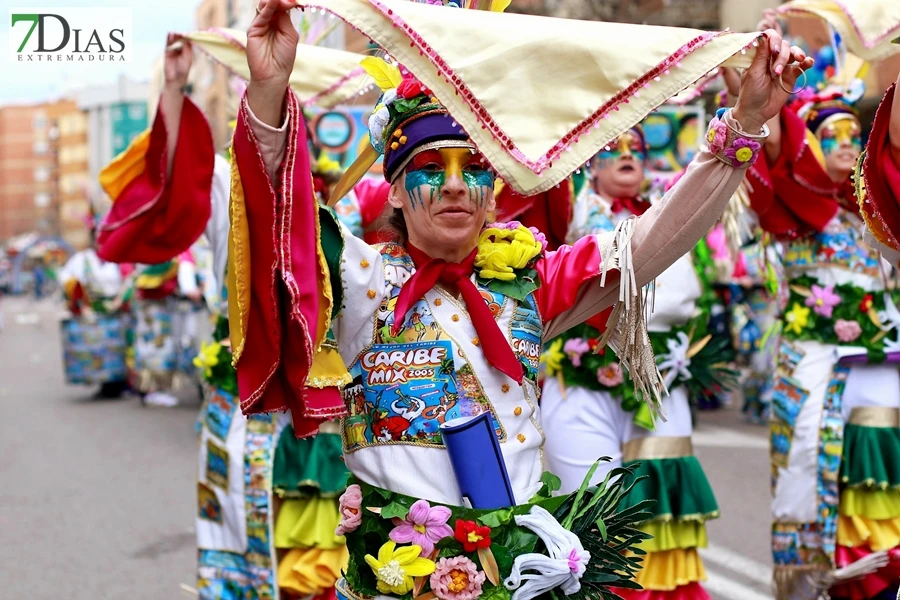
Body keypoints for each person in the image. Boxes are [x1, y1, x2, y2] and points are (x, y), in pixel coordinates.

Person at [230, 2, 808, 600]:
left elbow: (650, 242)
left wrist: (742, 126)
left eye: (474, 167)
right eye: (431, 167)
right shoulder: (358, 278)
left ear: (494, 190)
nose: (455, 183)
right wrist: (270, 95)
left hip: (520, 581)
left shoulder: (528, 283)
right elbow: (279, 218)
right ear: (396, 190)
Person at [734, 11, 900, 599]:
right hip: (813, 371)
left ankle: (875, 575)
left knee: (875, 486)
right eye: (831, 136)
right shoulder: (796, 211)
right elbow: (772, 140)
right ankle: (812, 584)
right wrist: (753, 71)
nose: (847, 146)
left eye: (854, 137)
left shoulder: (876, 213)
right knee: (808, 474)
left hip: (881, 370)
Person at [538, 123, 733, 600]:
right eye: (612, 148)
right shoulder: (571, 211)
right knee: (587, 505)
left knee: (659, 500)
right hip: (580, 380)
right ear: (591, 163)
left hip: (661, 384)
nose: (627, 155)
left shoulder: (668, 213)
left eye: (636, 148)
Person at [58, 218, 133, 398]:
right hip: (93, 312)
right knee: (97, 350)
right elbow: (67, 280)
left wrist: (120, 300)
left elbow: (130, 280)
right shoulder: (82, 259)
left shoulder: (118, 258)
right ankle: (103, 384)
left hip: (116, 311)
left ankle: (119, 384)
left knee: (117, 349)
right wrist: (79, 302)